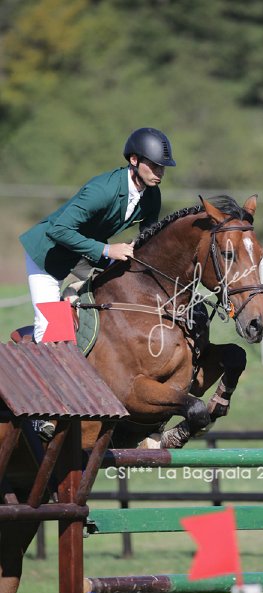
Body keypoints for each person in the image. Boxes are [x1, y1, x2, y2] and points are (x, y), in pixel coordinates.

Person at [19, 127, 176, 439]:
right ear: (134, 160)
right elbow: (58, 230)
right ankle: (42, 410)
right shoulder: (102, 189)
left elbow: (149, 242)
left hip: (84, 254)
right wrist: (106, 250)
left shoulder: (151, 195)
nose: (159, 173)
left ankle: (78, 306)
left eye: (162, 167)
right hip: (48, 255)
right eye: (154, 165)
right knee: (50, 327)